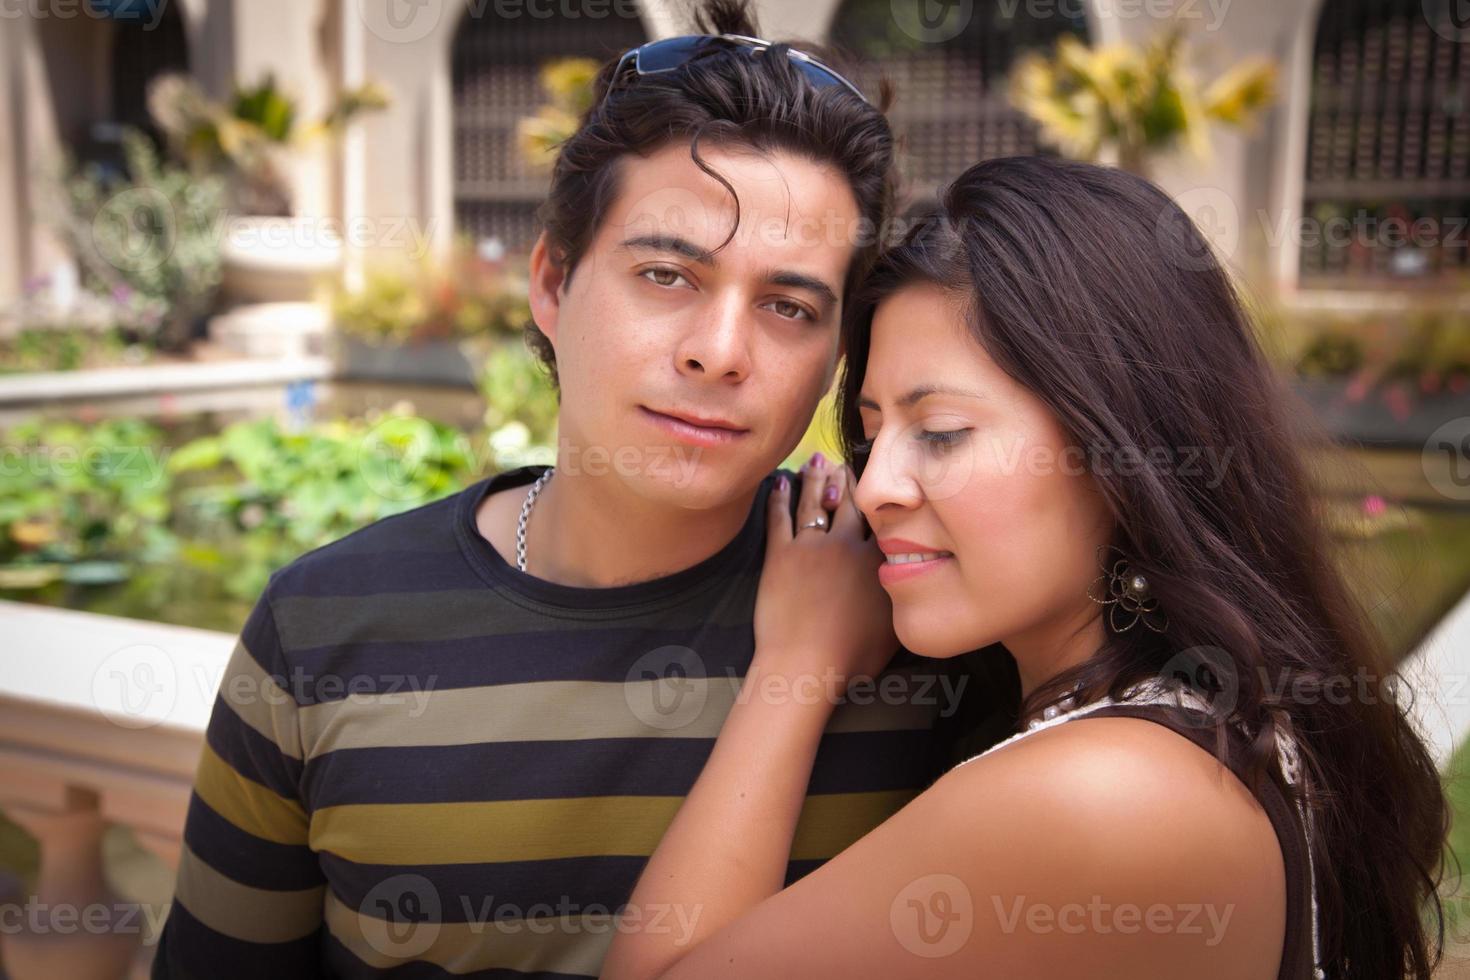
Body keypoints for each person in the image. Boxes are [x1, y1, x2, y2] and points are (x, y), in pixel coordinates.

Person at [150, 3, 988, 976]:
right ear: (551, 282)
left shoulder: (917, 609)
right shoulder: (326, 623)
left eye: (789, 305)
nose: (719, 352)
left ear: (839, 350)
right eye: (668, 275)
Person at [598, 156, 1451, 980]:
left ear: (1122, 451)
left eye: (941, 432)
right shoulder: (1205, 729)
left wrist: (797, 665)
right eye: (869, 431)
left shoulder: (1103, 796)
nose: (877, 485)